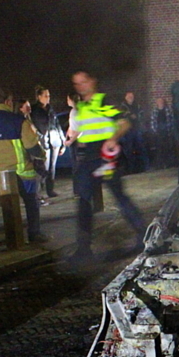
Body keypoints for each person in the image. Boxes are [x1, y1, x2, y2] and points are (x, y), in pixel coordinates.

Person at [69, 71, 147, 258]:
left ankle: (144, 236)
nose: (80, 87)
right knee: (84, 200)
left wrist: (113, 139)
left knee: (119, 196)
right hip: (89, 157)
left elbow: (124, 123)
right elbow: (83, 131)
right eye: (76, 84)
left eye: (83, 82)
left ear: (93, 82)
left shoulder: (103, 102)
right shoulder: (81, 107)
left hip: (106, 156)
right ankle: (83, 248)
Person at [0, 88, 45, 243]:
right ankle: (34, 234)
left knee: (8, 206)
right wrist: (42, 158)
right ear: (8, 102)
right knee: (31, 203)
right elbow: (34, 148)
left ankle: (12, 238)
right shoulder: (18, 121)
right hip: (23, 173)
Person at [30, 85, 66, 199]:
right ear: (39, 97)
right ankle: (40, 191)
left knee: (52, 168)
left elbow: (57, 125)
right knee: (43, 168)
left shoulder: (51, 109)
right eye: (45, 96)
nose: (48, 98)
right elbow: (33, 126)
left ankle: (50, 190)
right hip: (43, 142)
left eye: (49, 96)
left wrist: (62, 141)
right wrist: (39, 138)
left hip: (54, 141)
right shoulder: (34, 110)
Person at [118, 91, 148, 174]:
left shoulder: (137, 105)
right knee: (129, 150)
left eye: (132, 96)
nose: (131, 97)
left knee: (141, 148)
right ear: (126, 97)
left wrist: (136, 116)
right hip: (128, 131)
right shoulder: (122, 107)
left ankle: (145, 167)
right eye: (129, 96)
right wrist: (130, 115)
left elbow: (141, 114)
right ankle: (131, 169)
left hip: (137, 129)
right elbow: (121, 116)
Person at [150, 97, 175, 170]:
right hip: (159, 133)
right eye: (158, 101)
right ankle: (160, 165)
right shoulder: (154, 111)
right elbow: (152, 121)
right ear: (157, 103)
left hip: (167, 132)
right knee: (159, 149)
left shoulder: (168, 110)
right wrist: (155, 131)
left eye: (161, 101)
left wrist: (170, 130)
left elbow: (171, 120)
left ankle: (169, 164)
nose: (160, 103)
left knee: (168, 148)